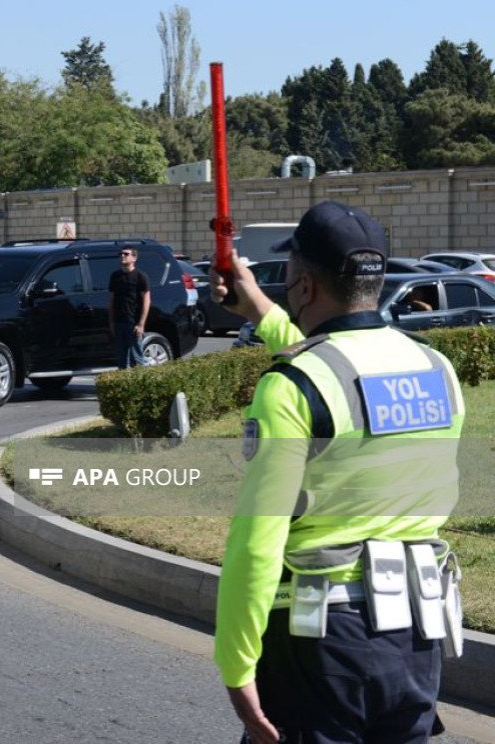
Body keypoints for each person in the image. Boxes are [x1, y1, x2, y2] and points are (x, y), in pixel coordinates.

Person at [209, 201, 465, 744]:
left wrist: (237, 667)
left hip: (320, 643)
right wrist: (257, 307)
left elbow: (258, 542)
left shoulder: (290, 387)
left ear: (303, 286)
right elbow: (344, 375)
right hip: (417, 635)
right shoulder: (435, 369)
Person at [108, 246, 150, 368]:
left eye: (126, 254)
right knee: (121, 359)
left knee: (136, 358)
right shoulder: (115, 276)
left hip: (133, 322)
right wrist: (111, 322)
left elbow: (146, 300)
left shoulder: (140, 276)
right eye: (121, 254)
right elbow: (111, 300)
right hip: (118, 322)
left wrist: (141, 324)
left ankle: (140, 385)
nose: (122, 256)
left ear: (134, 258)